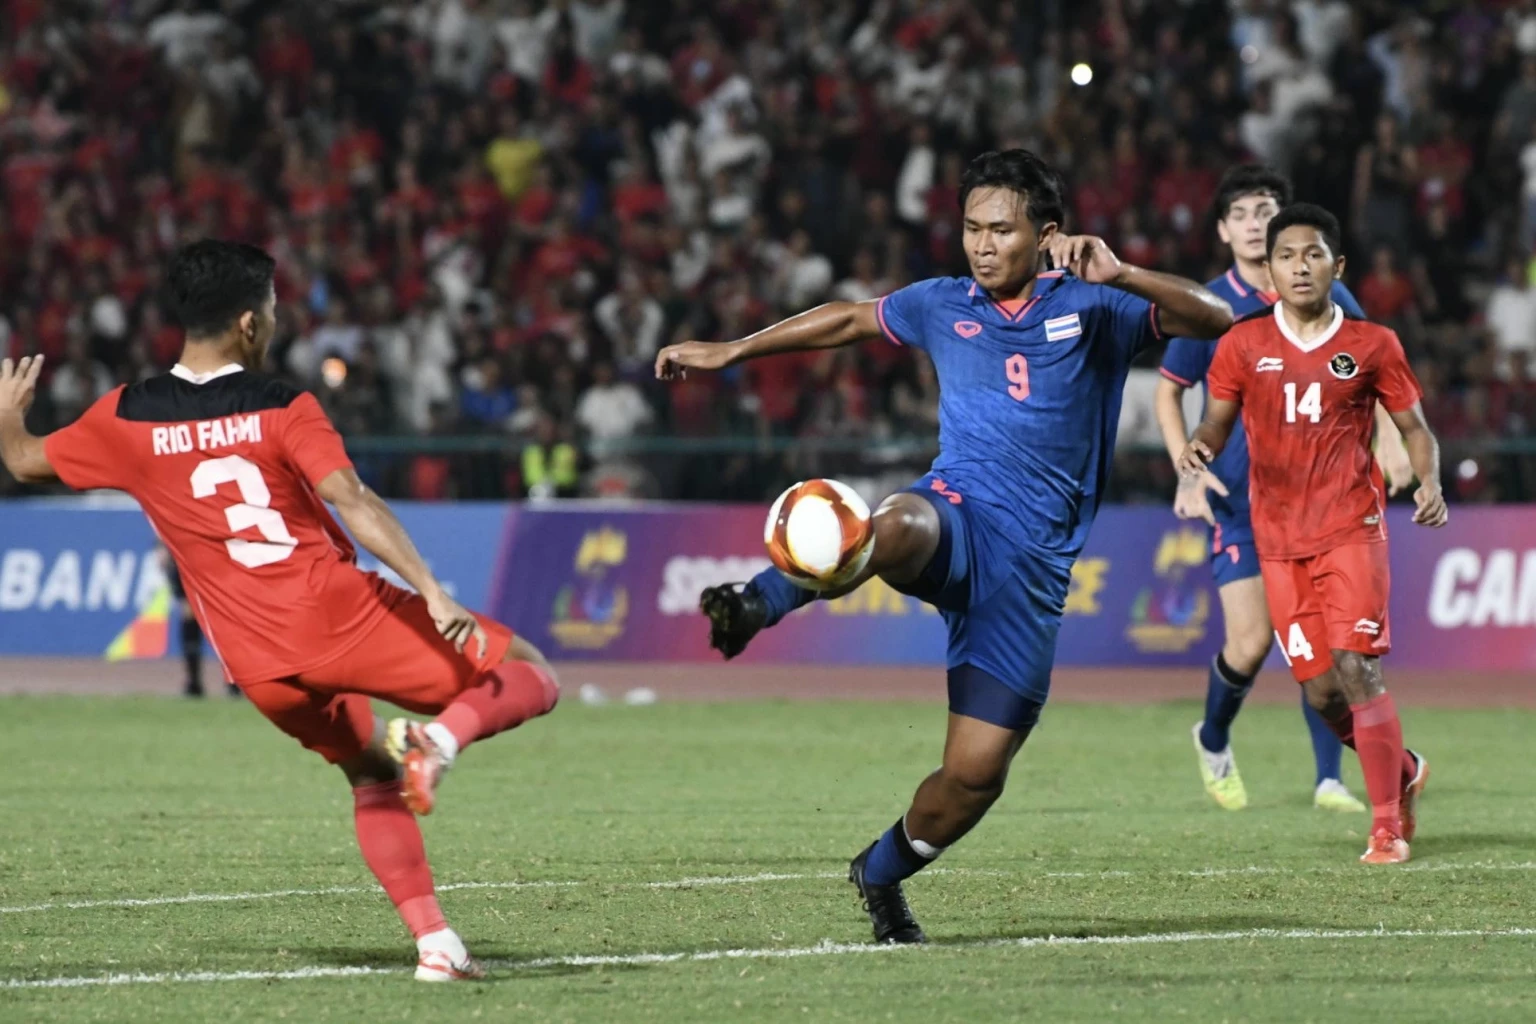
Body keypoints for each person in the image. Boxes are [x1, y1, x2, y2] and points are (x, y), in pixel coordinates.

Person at [655, 149, 1234, 943]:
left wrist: (1123, 271)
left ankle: (879, 875)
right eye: (971, 228)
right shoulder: (940, 303)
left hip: (1029, 579)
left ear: (1047, 234)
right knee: (893, 524)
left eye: (1001, 229)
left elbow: (1215, 319)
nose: (982, 244)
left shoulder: (1098, 306)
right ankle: (757, 601)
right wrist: (733, 351)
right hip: (958, 517)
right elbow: (851, 317)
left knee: (970, 781)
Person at [0, 241, 561, 981]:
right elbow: (351, 501)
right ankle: (440, 742)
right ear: (246, 323)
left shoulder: (124, 417)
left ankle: (437, 946)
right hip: (340, 619)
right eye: (269, 307)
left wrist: (10, 416)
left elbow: (24, 461)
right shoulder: (282, 405)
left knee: (369, 777)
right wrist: (430, 585)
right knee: (530, 673)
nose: (275, 317)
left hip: (260, 670)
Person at [1177, 203, 1443, 865]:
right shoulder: (1241, 344)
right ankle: (1403, 769)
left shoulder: (1373, 343)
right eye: (1288, 256)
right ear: (1269, 270)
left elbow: (1414, 427)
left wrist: (1429, 480)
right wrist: (1201, 449)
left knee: (1358, 667)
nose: (1301, 266)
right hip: (1277, 539)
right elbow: (1215, 420)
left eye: (1314, 254)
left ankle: (1386, 826)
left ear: (1337, 266)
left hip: (1352, 528)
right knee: (1321, 691)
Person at [162, 549, 239, 698]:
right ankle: (194, 682)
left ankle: (233, 682)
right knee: (190, 624)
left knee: (226, 633)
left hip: (218, 574)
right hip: (190, 569)